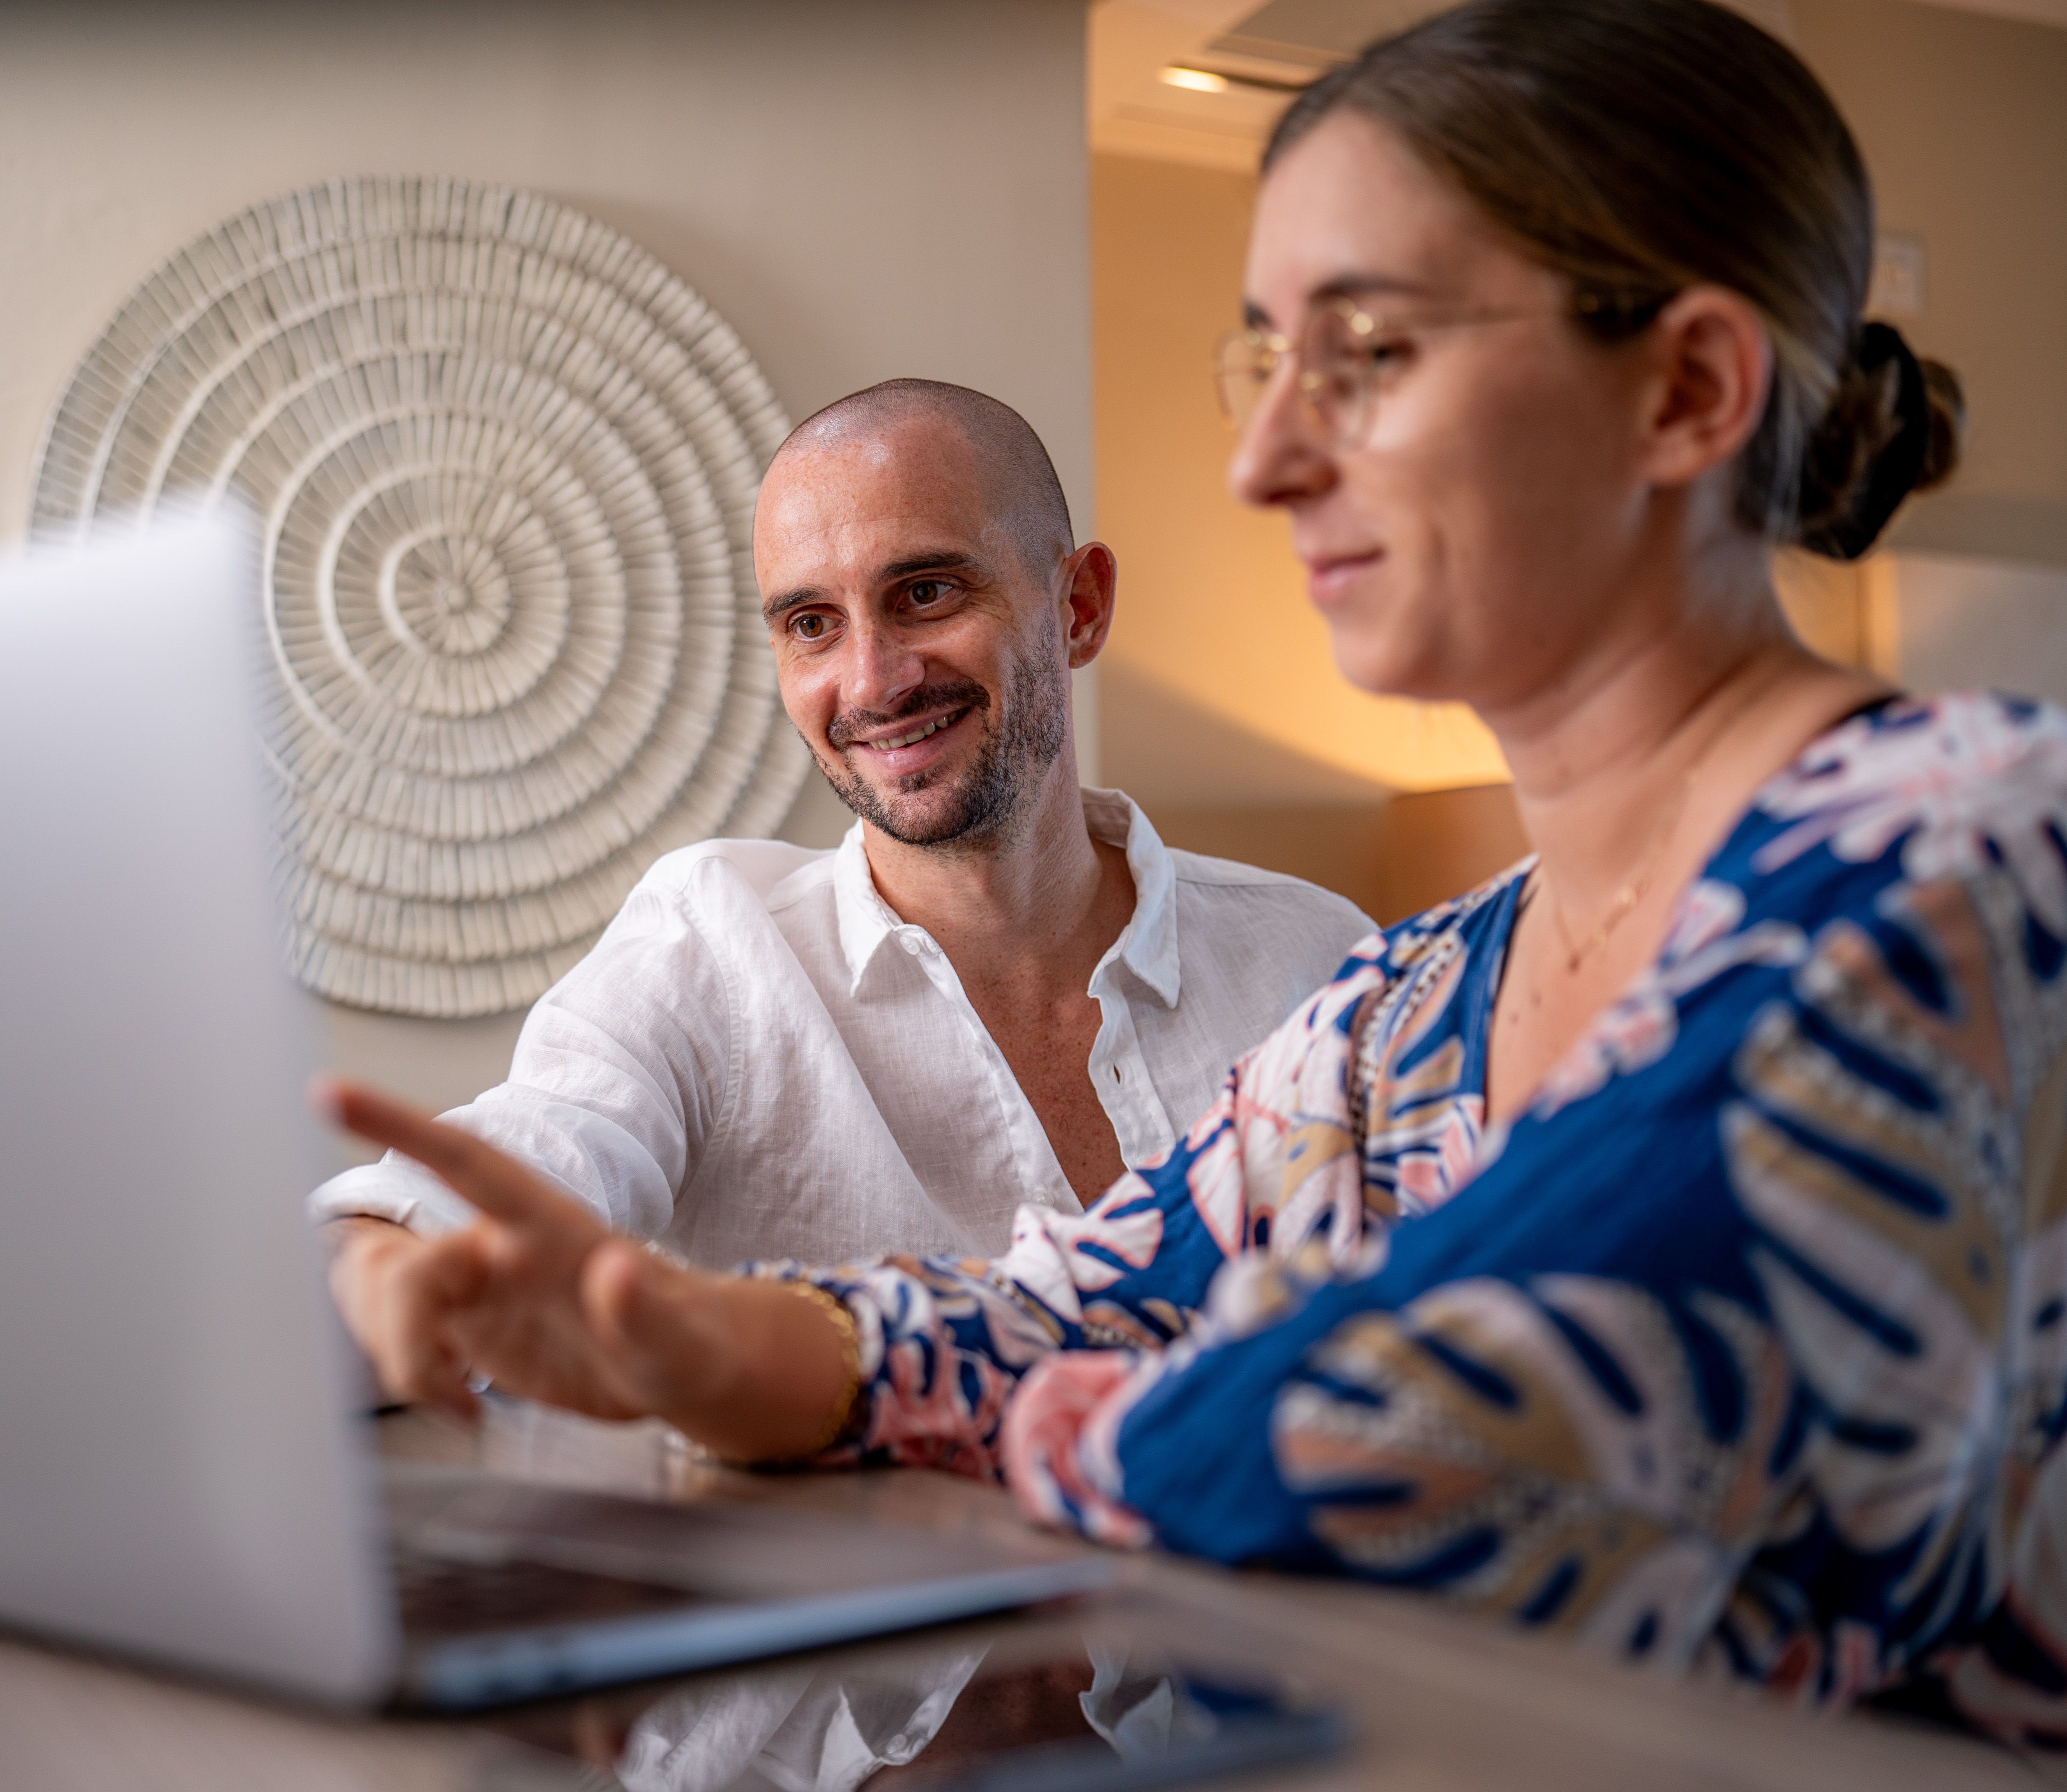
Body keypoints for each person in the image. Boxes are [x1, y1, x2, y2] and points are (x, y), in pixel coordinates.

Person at [313, 0, 2067, 1749]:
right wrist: (711, 1349)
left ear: (1683, 387)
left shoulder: (1972, 850)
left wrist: (795, 1373)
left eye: (1366, 352)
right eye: (1264, 361)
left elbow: (1413, 1437)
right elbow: (1072, 1301)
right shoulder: (1403, 1004)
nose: (1263, 460)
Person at [317, 381, 1372, 1392]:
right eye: (812, 623)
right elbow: (523, 1150)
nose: (872, 681)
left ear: (1080, 606)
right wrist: (377, 1271)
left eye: (925, 592)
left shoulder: (1318, 964)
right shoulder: (712, 946)